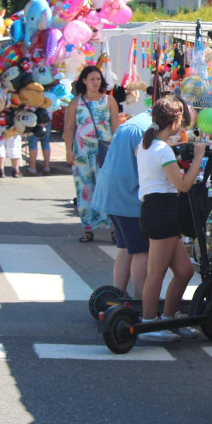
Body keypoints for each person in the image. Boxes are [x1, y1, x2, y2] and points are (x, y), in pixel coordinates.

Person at [136, 95, 205, 342]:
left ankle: (169, 318)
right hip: (161, 212)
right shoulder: (161, 149)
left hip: (158, 211)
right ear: (175, 121)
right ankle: (149, 323)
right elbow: (184, 185)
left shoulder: (147, 145)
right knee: (156, 272)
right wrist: (198, 157)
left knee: (185, 271)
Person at [91, 111, 154, 298]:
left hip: (114, 194)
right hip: (128, 195)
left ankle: (117, 294)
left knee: (127, 247)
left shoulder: (136, 122)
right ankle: (142, 299)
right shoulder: (146, 128)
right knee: (141, 250)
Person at [64, 65, 118, 243]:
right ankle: (88, 228)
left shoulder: (109, 101)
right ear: (84, 81)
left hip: (105, 150)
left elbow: (116, 128)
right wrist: (68, 150)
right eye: (92, 79)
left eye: (98, 79)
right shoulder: (76, 102)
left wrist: (118, 151)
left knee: (107, 188)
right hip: (82, 153)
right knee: (85, 189)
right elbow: (69, 128)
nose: (96, 82)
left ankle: (113, 228)